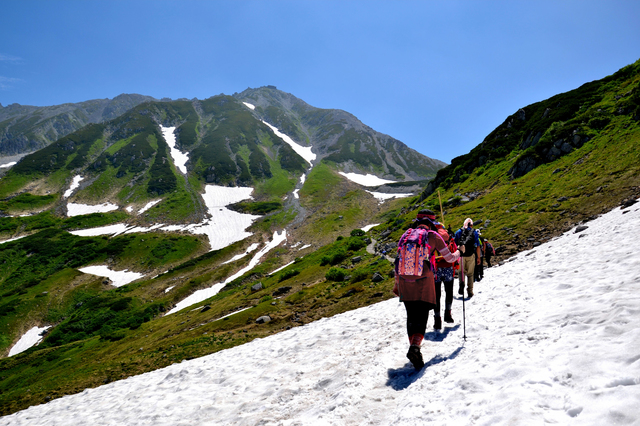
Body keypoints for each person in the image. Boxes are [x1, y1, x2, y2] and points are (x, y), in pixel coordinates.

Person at [393, 209, 463, 369]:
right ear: (433, 223)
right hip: (424, 280)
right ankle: (415, 348)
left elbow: (398, 260)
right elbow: (450, 258)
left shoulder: (405, 235)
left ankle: (414, 348)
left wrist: (397, 284)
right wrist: (459, 252)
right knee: (422, 315)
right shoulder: (434, 236)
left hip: (405, 280)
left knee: (411, 317)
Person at [433, 228, 458, 329]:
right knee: (449, 291)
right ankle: (448, 314)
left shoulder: (434, 238)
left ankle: (437, 319)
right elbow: (455, 252)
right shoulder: (449, 239)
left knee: (436, 295)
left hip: (436, 269)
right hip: (448, 267)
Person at [454, 218, 481, 298]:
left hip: (461, 255)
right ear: (471, 225)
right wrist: (478, 257)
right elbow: (478, 246)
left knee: (461, 272)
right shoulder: (474, 232)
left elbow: (455, 244)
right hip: (471, 255)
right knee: (470, 274)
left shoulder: (458, 232)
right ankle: (470, 291)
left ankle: (461, 284)